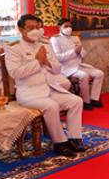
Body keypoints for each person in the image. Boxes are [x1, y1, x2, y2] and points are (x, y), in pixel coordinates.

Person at [6, 14, 84, 158]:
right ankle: (60, 143)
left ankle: (75, 138)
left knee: (76, 101)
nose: (35, 30)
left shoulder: (45, 45)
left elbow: (57, 69)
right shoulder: (14, 49)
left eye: (37, 27)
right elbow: (15, 73)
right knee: (51, 106)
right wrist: (37, 61)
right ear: (21, 30)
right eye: (30, 28)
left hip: (48, 89)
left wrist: (47, 62)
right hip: (29, 94)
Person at [51, 18, 104, 110]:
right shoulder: (55, 39)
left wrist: (80, 52)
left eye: (70, 26)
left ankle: (94, 98)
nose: (69, 28)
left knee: (99, 73)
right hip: (66, 68)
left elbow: (83, 53)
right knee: (84, 76)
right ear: (59, 27)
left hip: (79, 65)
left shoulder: (75, 38)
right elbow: (58, 57)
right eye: (66, 26)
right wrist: (74, 52)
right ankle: (85, 101)